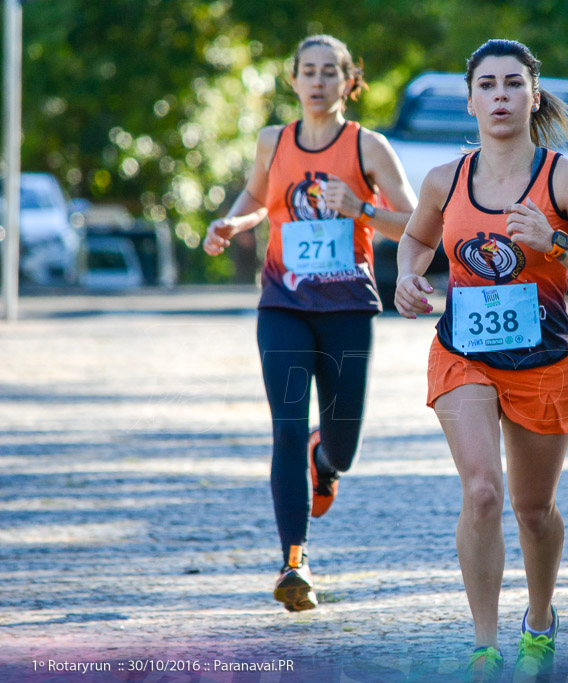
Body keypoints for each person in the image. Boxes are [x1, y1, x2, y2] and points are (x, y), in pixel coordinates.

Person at [394, 39, 568, 682]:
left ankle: (541, 617)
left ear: (532, 96)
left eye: (513, 85)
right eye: (488, 86)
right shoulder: (445, 180)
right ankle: (484, 645)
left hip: (544, 360)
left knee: (532, 509)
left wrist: (555, 244)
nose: (500, 96)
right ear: (470, 101)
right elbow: (415, 240)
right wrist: (406, 277)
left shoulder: (564, 179)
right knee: (482, 491)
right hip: (464, 354)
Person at [202, 35, 416, 611]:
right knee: (287, 428)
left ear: (350, 81)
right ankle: (293, 563)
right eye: (308, 72)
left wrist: (362, 208)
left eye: (330, 72)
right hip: (284, 305)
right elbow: (257, 197)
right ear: (293, 80)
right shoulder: (273, 141)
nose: (318, 81)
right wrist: (231, 223)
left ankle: (327, 464)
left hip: (348, 309)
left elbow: (421, 225)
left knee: (340, 446)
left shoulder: (369, 148)